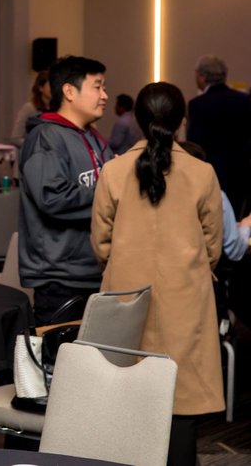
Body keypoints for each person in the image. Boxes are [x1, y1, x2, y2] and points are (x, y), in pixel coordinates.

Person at [91, 82, 223, 466]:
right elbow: (213, 245)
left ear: (137, 120)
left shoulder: (113, 171)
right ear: (182, 121)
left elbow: (100, 243)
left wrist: (122, 267)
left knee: (126, 401)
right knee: (181, 404)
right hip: (186, 300)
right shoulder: (202, 173)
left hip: (126, 299)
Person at [18, 55, 113, 324]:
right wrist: (111, 195)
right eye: (97, 86)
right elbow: (53, 198)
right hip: (60, 276)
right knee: (59, 351)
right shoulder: (46, 137)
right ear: (69, 91)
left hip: (94, 270)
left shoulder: (95, 139)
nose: (105, 96)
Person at [187, 55, 251, 217]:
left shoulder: (198, 104)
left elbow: (195, 145)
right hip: (241, 171)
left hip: (211, 173)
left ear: (202, 76)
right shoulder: (244, 100)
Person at [10, 70, 50, 147]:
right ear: (41, 88)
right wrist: (37, 145)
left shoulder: (58, 109)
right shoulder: (30, 108)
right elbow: (15, 138)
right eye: (50, 85)